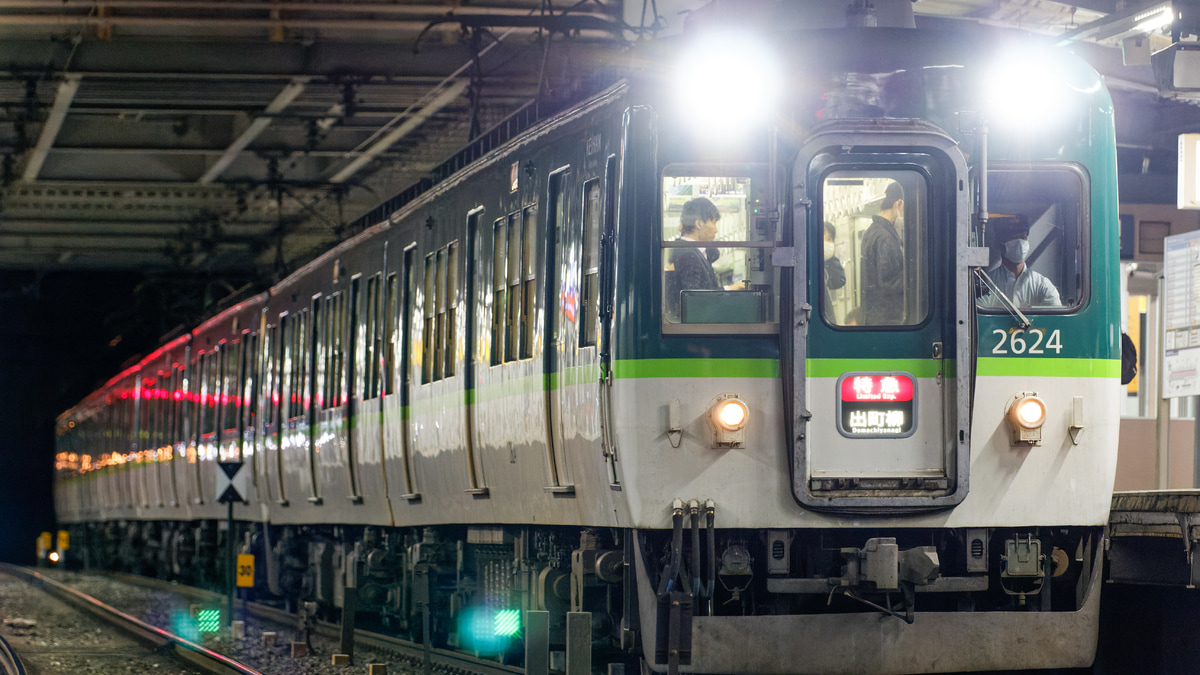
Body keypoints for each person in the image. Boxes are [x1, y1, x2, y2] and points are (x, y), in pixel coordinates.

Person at [978, 215, 1061, 308]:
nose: (1019, 242)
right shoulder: (986, 283)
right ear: (999, 244)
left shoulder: (1042, 285)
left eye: (1022, 236)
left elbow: (1056, 319)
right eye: (1012, 237)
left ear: (1028, 242)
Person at [665, 197, 721, 321]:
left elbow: (715, 253)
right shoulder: (688, 255)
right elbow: (695, 298)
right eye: (714, 222)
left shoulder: (690, 250)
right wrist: (731, 289)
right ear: (699, 223)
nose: (716, 229)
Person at [859, 181, 906, 324]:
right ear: (899, 204)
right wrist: (916, 277)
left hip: (873, 317)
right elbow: (889, 284)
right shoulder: (885, 237)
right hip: (887, 320)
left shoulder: (871, 231)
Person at [823, 221, 846, 321]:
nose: (830, 243)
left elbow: (838, 281)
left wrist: (831, 259)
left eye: (831, 240)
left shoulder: (828, 264)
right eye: (828, 239)